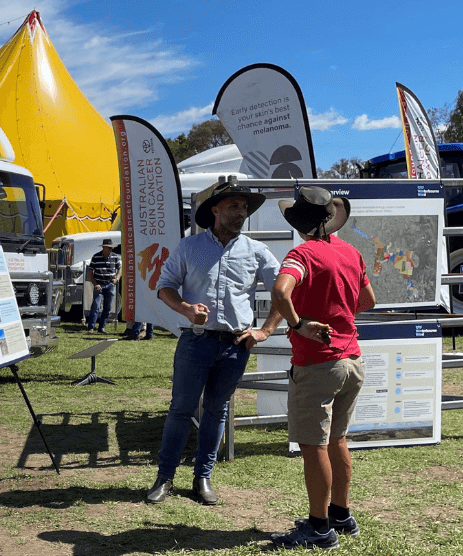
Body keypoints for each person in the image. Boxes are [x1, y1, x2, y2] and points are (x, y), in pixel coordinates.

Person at [146, 180, 282, 505]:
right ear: (216, 210)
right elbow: (164, 286)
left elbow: (283, 292)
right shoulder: (189, 247)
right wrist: (185, 308)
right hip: (196, 343)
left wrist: (265, 331)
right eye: (234, 206)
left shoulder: (257, 251)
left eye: (244, 207)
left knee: (217, 411)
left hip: (236, 346)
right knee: (180, 409)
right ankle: (164, 478)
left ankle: (202, 477)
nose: (241, 212)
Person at [269, 187, 375, 550]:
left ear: (297, 222)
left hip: (318, 363)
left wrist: (299, 324)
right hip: (353, 360)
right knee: (337, 440)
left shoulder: (301, 253)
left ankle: (318, 527)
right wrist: (338, 315)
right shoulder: (350, 251)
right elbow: (368, 300)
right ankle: (341, 515)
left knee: (313, 445)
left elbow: (281, 291)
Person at [86, 239, 121, 334]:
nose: (111, 249)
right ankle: (91, 327)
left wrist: (117, 278)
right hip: (99, 285)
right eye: (109, 247)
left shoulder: (115, 257)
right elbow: (90, 271)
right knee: (96, 306)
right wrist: (95, 284)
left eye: (111, 248)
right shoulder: (96, 257)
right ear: (103, 247)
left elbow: (120, 268)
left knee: (108, 307)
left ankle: (101, 328)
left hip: (110, 284)